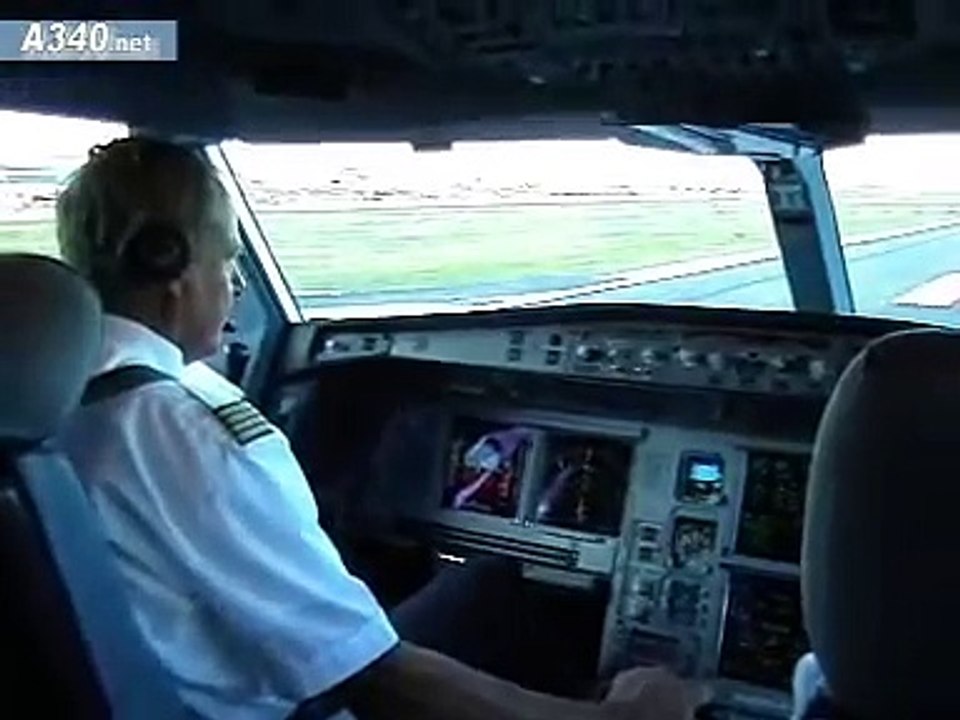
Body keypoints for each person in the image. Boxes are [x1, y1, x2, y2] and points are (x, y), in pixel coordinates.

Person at [55, 136, 704, 720]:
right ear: (173, 268)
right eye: (226, 263)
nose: (231, 288)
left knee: (484, 585)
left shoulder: (51, 393)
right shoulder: (185, 435)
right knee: (506, 605)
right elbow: (374, 679)